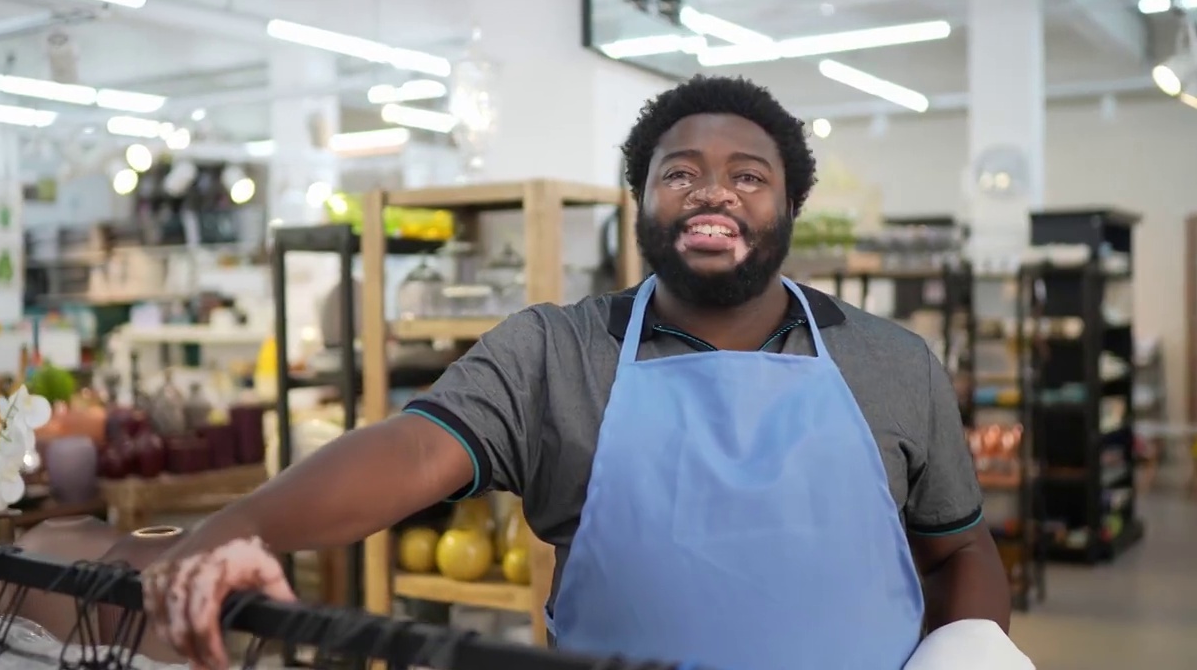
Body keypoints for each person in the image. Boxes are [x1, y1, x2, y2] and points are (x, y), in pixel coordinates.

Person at [143, 75, 1023, 670]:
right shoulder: (556, 354)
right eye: (680, 173)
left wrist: (971, 650)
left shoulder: (893, 361)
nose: (714, 192)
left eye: (748, 177)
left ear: (791, 206)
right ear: (641, 204)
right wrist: (234, 529)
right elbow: (412, 454)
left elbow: (960, 547)